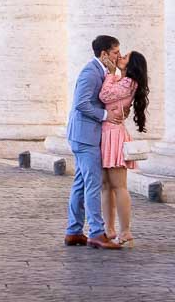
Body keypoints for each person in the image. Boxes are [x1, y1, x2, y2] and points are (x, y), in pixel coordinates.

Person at [64, 35, 124, 250]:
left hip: (84, 135)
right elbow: (80, 104)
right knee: (93, 183)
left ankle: (73, 231)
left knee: (81, 183)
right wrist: (105, 115)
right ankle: (97, 233)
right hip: (84, 136)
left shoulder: (102, 71)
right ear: (104, 54)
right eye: (116, 52)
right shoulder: (91, 73)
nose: (118, 56)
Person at [99, 50, 149, 247]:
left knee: (118, 186)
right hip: (106, 134)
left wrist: (110, 72)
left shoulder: (129, 82)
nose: (120, 57)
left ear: (131, 65)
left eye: (125, 57)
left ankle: (125, 230)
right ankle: (109, 229)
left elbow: (104, 94)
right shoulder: (123, 80)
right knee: (105, 186)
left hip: (114, 135)